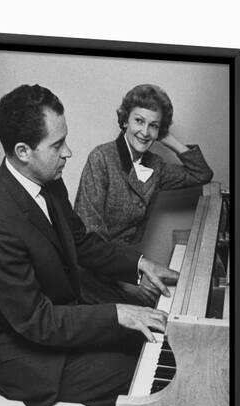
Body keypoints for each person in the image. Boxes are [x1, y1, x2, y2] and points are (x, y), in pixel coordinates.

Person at [0, 83, 178, 406]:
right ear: (23, 150)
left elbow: (81, 242)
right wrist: (118, 314)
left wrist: (141, 265)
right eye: (57, 144)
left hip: (62, 321)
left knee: (151, 343)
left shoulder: (49, 181)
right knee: (137, 372)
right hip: (27, 356)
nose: (68, 152)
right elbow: (38, 321)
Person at [74, 83, 213, 306]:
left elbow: (201, 174)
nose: (145, 132)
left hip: (127, 267)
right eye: (139, 121)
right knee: (143, 326)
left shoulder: (155, 166)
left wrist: (169, 139)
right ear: (124, 121)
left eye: (154, 126)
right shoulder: (101, 158)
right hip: (92, 275)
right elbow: (91, 238)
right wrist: (127, 279)